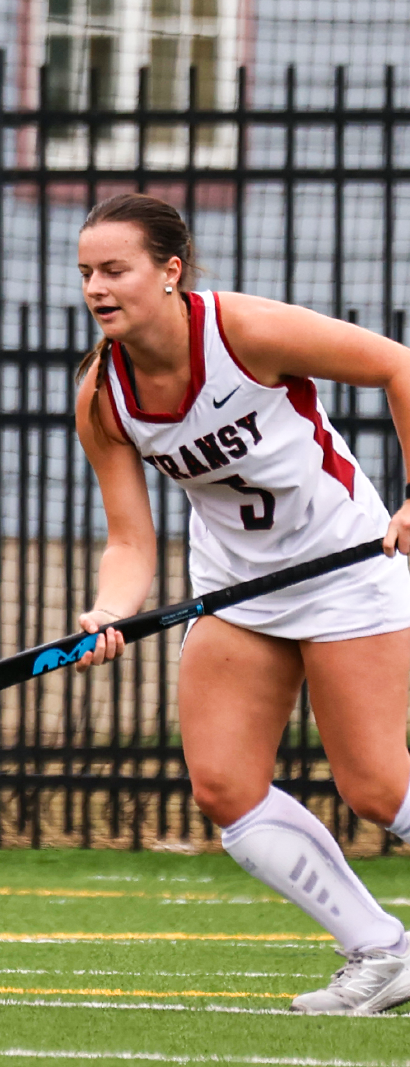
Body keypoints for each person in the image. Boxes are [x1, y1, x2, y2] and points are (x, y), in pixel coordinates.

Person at [72, 191, 410, 1015]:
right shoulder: (102, 397)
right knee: (225, 789)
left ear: (170, 271)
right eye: (85, 273)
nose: (96, 288)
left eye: (115, 269)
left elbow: (400, 364)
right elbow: (130, 541)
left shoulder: (244, 331)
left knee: (377, 789)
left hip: (343, 568)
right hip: (237, 590)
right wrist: (110, 611)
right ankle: (382, 953)